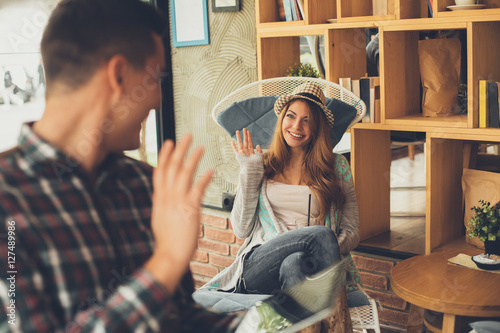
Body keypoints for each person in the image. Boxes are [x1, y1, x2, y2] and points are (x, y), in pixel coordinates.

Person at [0, 0, 242, 332]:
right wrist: (166, 262)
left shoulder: (145, 185)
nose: (157, 100)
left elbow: (178, 316)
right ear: (117, 75)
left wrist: (263, 324)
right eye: (154, 79)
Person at [195, 82, 360, 332]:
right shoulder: (262, 163)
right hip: (259, 266)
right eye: (291, 116)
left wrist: (320, 248)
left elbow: (352, 230)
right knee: (321, 234)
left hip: (308, 267)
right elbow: (240, 229)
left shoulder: (336, 167)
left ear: (317, 128)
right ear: (282, 118)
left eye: (307, 120)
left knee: (294, 262)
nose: (296, 126)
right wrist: (249, 170)